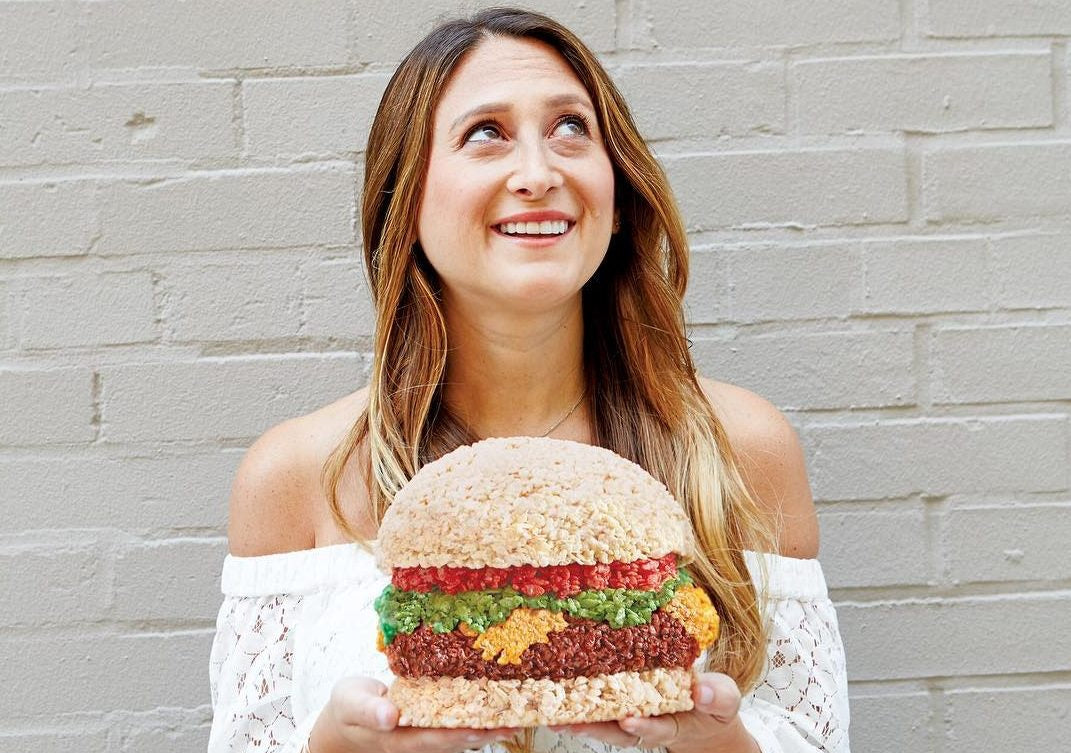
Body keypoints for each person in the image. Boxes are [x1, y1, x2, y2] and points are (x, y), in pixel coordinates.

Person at [209, 8, 849, 753]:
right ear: (404, 198)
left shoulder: (738, 448)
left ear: (615, 195)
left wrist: (713, 738)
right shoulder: (295, 474)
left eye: (571, 128)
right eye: (486, 133)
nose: (539, 174)